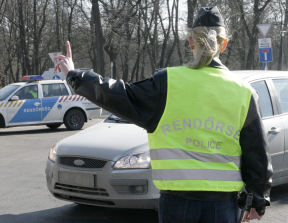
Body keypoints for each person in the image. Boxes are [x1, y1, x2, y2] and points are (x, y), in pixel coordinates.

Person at [55, 6, 272, 223]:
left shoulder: (166, 83)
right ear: (223, 44)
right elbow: (257, 153)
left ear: (191, 42)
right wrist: (258, 199)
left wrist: (75, 76)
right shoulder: (245, 92)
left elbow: (118, 94)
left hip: (176, 203)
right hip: (223, 206)